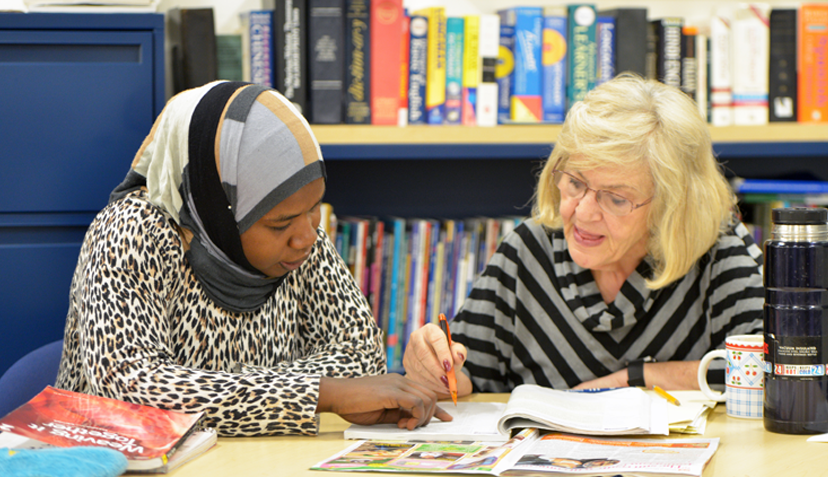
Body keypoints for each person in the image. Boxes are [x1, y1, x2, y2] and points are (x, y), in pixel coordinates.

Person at [55, 81, 449, 436]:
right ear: (216, 207)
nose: (307, 237)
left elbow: (360, 357)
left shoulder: (302, 236)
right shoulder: (131, 230)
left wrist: (218, 392)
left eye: (315, 208)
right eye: (280, 224)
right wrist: (319, 394)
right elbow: (133, 390)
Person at [403, 74, 764, 397]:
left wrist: (634, 379)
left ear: (671, 205)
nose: (583, 212)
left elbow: (773, 371)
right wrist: (433, 365)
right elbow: (469, 378)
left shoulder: (718, 249)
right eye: (575, 182)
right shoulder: (529, 250)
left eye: (616, 198)